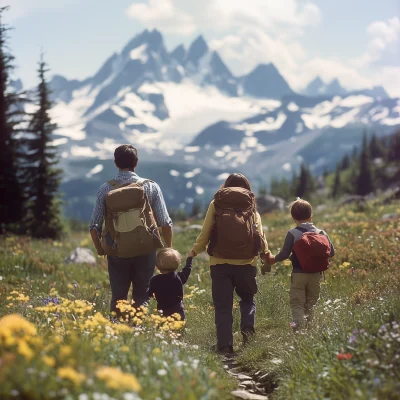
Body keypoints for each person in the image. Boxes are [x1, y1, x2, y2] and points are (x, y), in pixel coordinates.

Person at [188, 173, 271, 354]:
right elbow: (259, 234)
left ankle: (225, 345)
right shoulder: (250, 205)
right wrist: (266, 253)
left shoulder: (216, 204)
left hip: (220, 263)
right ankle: (248, 332)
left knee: (223, 306)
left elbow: (206, 231)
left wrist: (195, 250)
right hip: (247, 263)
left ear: (225, 187)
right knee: (248, 299)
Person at [89, 144, 172, 316]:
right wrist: (167, 249)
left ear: (115, 163)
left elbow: (94, 227)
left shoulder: (105, 189)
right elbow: (165, 223)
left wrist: (100, 249)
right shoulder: (151, 187)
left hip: (116, 249)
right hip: (146, 248)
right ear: (136, 162)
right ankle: (138, 331)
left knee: (119, 297)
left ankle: (117, 332)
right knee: (142, 295)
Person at [266, 198, 335, 330]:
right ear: (311, 216)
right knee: (311, 303)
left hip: (299, 274)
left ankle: (298, 328)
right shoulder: (321, 233)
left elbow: (284, 254)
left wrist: (272, 259)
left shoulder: (292, 233)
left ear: (293, 217)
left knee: (297, 303)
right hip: (316, 275)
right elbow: (331, 253)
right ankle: (309, 329)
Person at [147, 248, 193, 321]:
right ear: (177, 263)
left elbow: (149, 293)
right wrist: (189, 258)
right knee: (179, 328)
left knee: (165, 329)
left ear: (157, 266)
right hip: (178, 310)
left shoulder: (154, 280)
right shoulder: (179, 277)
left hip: (162, 311)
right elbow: (187, 269)